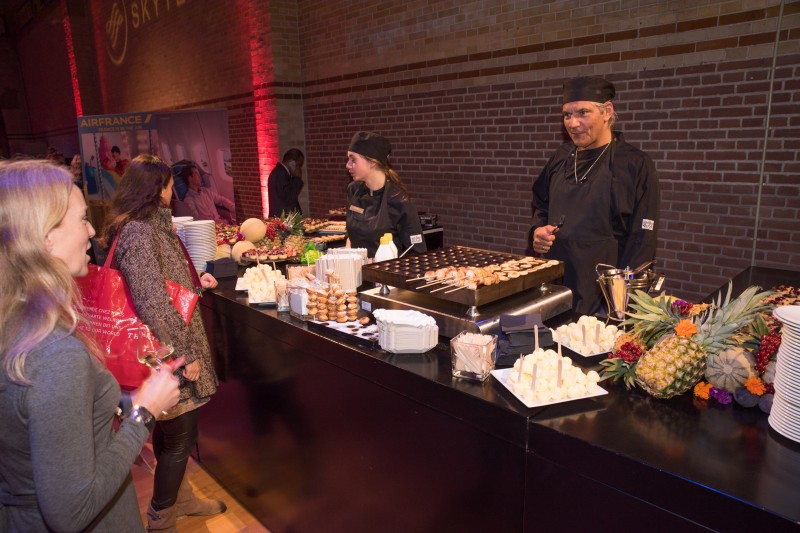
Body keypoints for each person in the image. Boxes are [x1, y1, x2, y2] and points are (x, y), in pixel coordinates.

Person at [0, 159, 182, 531]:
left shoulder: (15, 321)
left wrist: (125, 402)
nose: (91, 230)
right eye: (82, 219)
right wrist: (144, 413)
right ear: (45, 237)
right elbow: (72, 510)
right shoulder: (56, 354)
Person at [100, 155, 226, 531]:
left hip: (165, 344)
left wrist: (194, 281)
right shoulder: (140, 231)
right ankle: (161, 516)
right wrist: (185, 355)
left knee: (173, 433)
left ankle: (182, 499)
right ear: (159, 190)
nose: (174, 192)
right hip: (165, 350)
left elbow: (162, 282)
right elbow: (153, 301)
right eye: (170, 185)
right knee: (180, 438)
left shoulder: (147, 226)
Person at [529, 76, 660, 316]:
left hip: (603, 296)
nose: (573, 123)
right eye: (567, 115)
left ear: (607, 111)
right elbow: (541, 204)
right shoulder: (560, 157)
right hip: (556, 286)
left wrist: (621, 301)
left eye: (583, 113)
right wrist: (537, 231)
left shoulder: (634, 164)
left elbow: (643, 240)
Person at [344, 131, 426, 259]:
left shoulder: (399, 200)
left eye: (353, 159)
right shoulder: (353, 190)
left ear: (372, 162)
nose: (347, 165)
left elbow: (416, 253)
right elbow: (351, 236)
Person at [268, 148, 305, 218]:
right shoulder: (281, 174)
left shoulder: (280, 172)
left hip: (283, 218)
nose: (299, 169)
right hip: (284, 219)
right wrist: (297, 178)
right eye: (298, 165)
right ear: (292, 162)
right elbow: (290, 197)